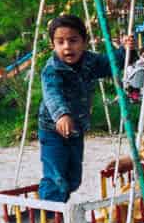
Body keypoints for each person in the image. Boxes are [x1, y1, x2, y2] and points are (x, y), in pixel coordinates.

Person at [37, 14, 114, 204]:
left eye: (73, 41)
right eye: (60, 42)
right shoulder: (52, 69)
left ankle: (50, 204)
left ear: (84, 42)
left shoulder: (90, 62)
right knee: (56, 176)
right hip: (52, 129)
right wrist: (62, 114)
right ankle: (50, 213)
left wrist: (126, 52)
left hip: (76, 128)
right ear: (52, 45)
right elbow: (52, 94)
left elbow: (110, 64)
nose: (67, 47)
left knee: (73, 178)